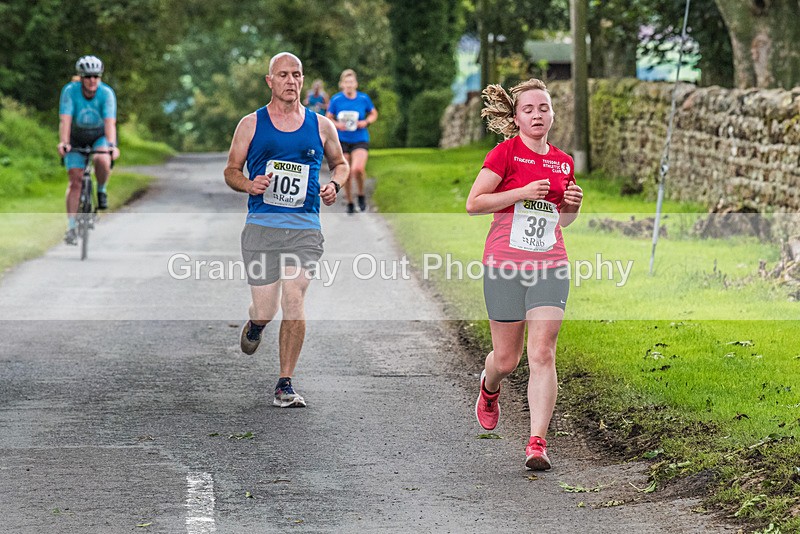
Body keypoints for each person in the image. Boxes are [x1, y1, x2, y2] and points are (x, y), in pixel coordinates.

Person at [465, 79, 584, 470]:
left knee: (543, 352)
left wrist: (571, 205)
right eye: (529, 109)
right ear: (516, 117)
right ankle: (489, 386)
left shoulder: (563, 161)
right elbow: (475, 204)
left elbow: (563, 221)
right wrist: (519, 193)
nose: (537, 115)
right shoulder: (504, 154)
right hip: (504, 264)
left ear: (552, 114)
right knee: (507, 359)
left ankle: (537, 443)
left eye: (543, 108)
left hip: (550, 262)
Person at [224, 52, 349, 408]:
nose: (291, 81)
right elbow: (231, 170)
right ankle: (256, 324)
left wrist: (334, 186)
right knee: (266, 308)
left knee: (294, 296)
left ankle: (285, 382)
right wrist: (249, 185)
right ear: (270, 81)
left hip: (305, 228)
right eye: (283, 75)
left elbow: (340, 164)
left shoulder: (321, 125)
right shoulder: (251, 124)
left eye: (296, 75)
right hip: (262, 227)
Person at [58, 55, 119, 245]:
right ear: (81, 77)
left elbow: (110, 122)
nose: (92, 80)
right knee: (75, 180)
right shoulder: (70, 91)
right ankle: (71, 226)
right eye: (88, 76)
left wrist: (111, 146)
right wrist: (64, 143)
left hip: (98, 136)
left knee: (102, 159)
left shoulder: (106, 94)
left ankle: (101, 189)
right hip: (76, 136)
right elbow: (65, 120)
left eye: (96, 76)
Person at [326, 69, 377, 214]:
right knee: (346, 172)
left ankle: (360, 194)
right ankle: (349, 201)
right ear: (342, 84)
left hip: (360, 138)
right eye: (346, 82)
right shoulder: (336, 100)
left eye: (351, 82)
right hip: (342, 140)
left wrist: (366, 122)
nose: (349, 85)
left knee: (357, 169)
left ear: (356, 84)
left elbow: (373, 113)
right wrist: (337, 125)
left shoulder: (363, 98)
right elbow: (328, 117)